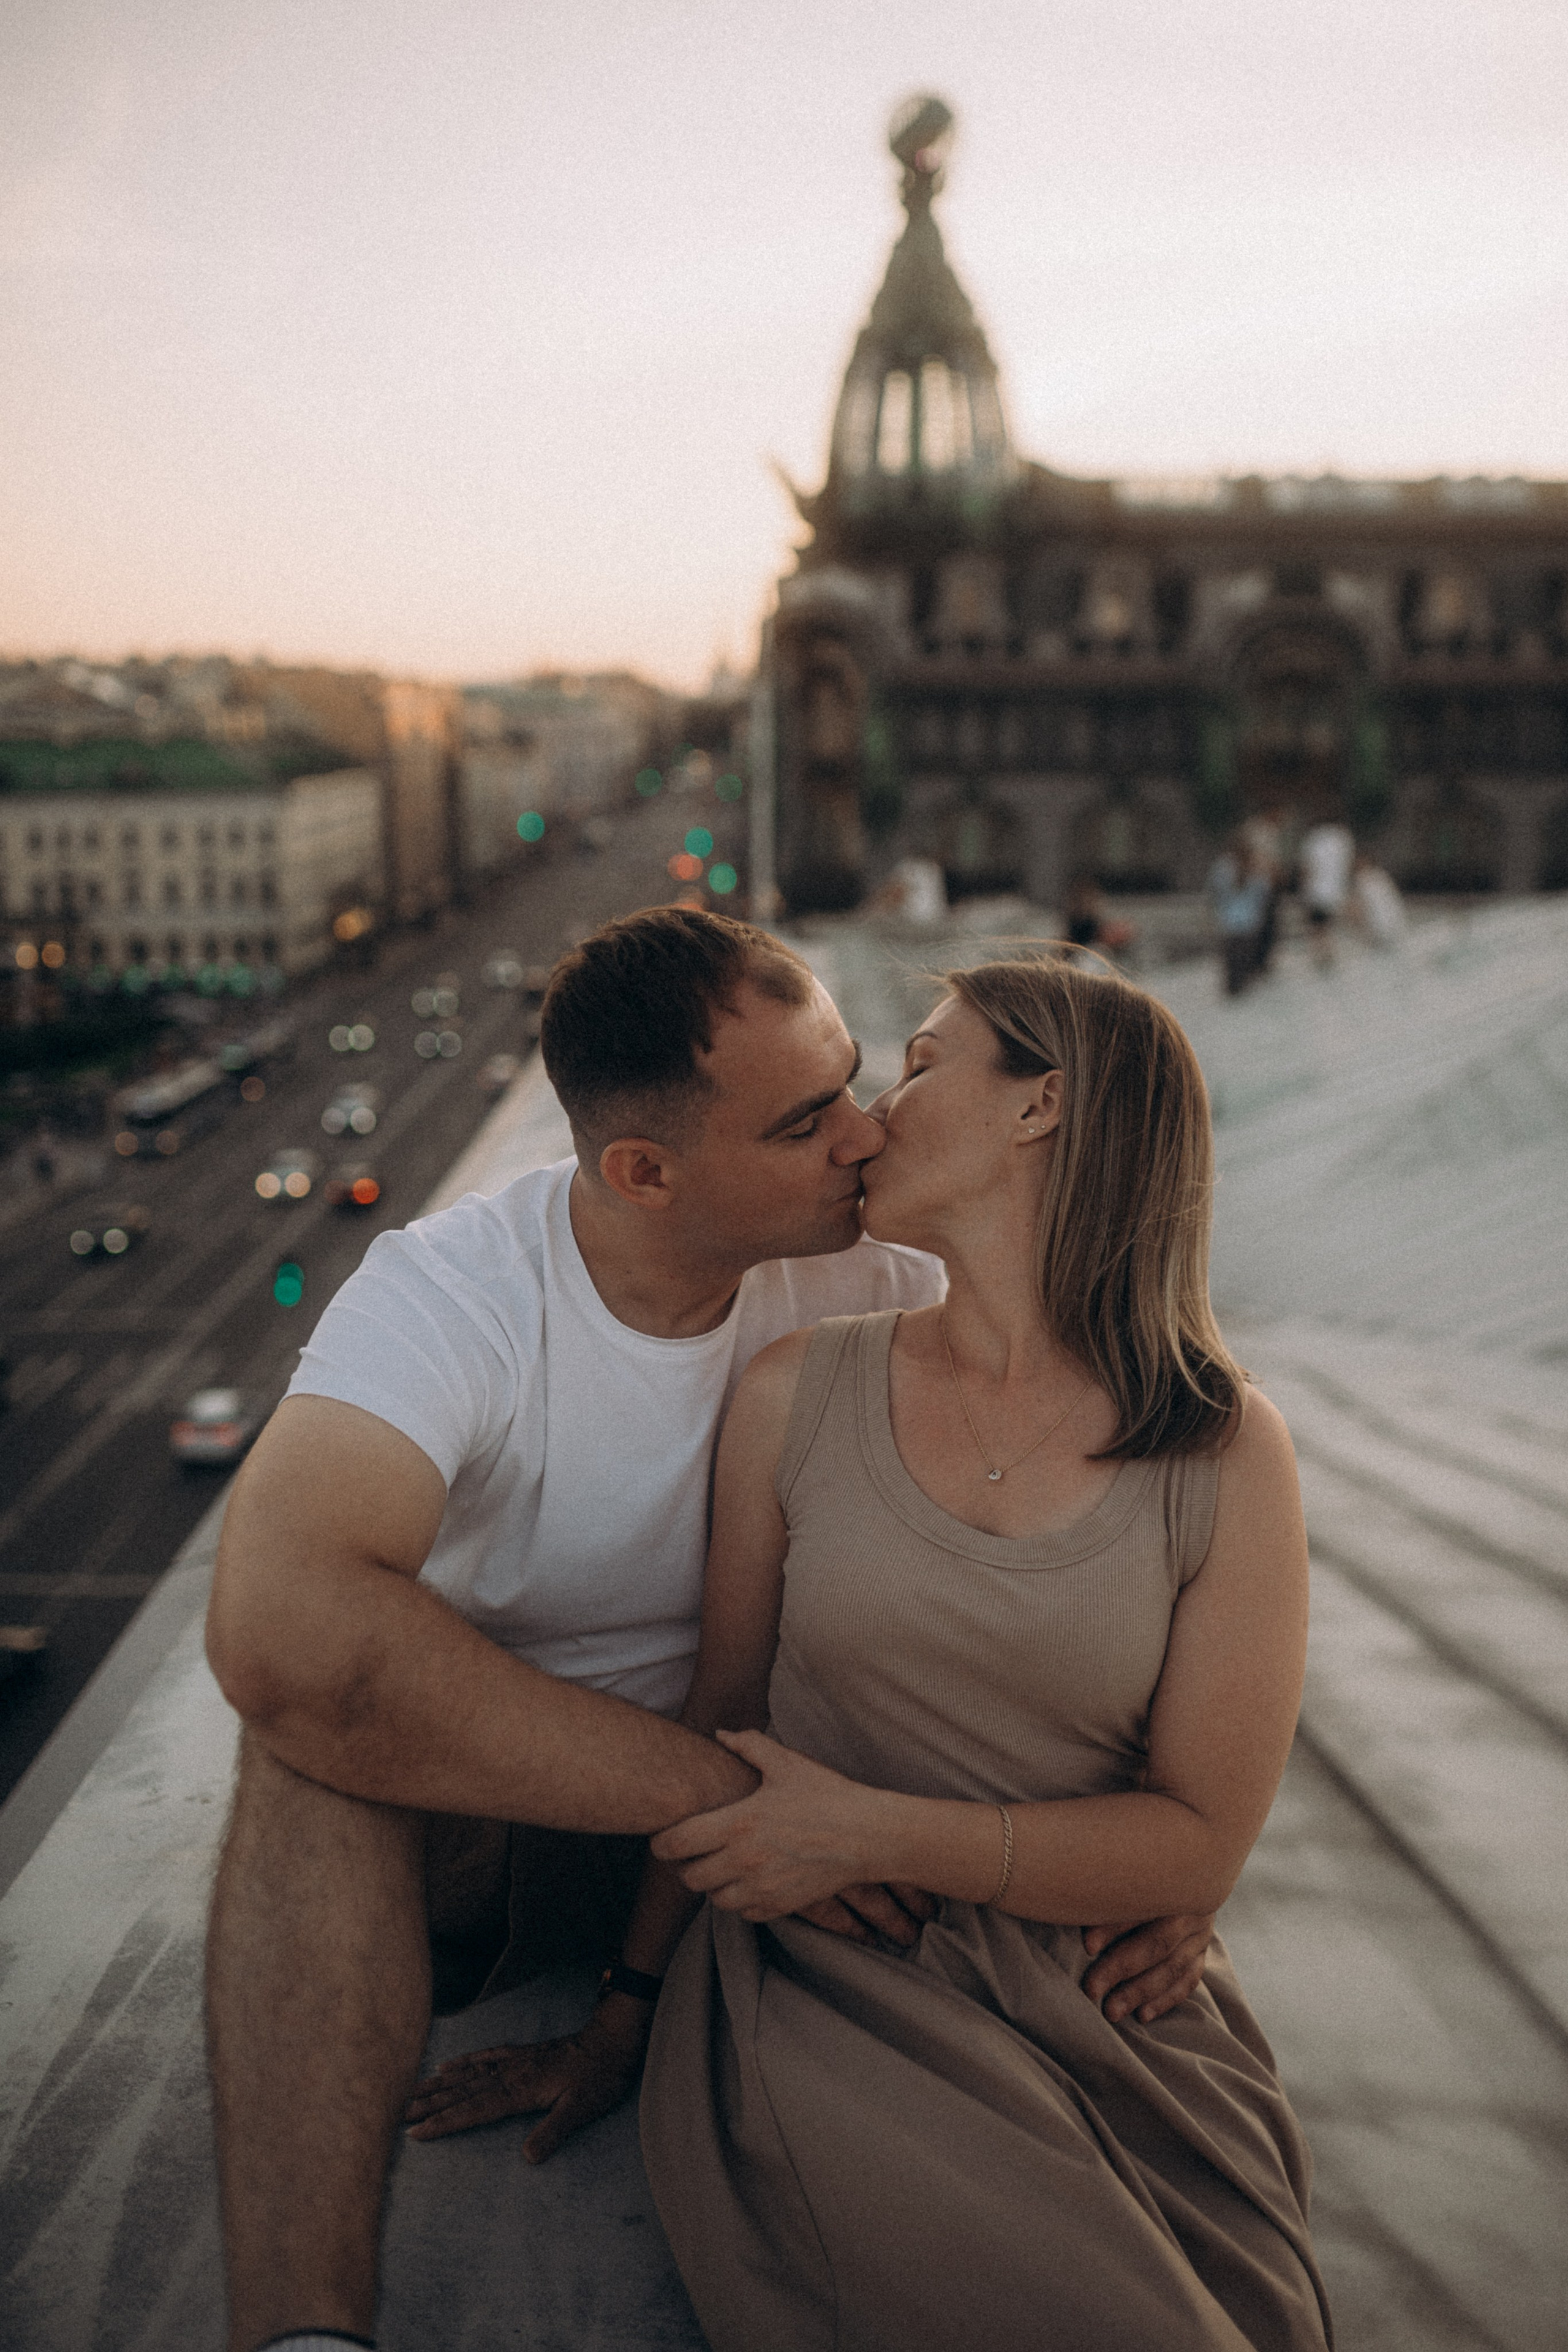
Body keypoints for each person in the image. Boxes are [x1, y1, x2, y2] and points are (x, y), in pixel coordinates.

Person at [205, 907, 1213, 2352]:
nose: (864, 1137)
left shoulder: (883, 1268)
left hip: (808, 1840)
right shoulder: (456, 1290)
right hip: (558, 1808)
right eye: (807, 1120)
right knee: (301, 1754)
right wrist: (720, 1798)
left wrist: (1163, 1841)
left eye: (858, 1077)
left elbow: (1114, 1512)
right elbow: (281, 1626)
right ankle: (304, 2335)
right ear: (642, 1171)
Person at [427, 951, 1330, 2350]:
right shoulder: (798, 1391)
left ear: (1038, 1107)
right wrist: (630, 2005)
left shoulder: (1219, 1443)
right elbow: (722, 1719)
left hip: (1113, 2000)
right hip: (827, 1984)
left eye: (916, 1063)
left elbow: (1195, 1845)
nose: (869, 1117)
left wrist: (869, 1829)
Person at [1207, 833, 1269, 997]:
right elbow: (1264, 892)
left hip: (1228, 921)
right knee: (1245, 958)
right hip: (1249, 921)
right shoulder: (1255, 868)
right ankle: (1241, 986)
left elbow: (1215, 891)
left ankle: (1232, 988)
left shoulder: (1222, 868)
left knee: (1230, 958)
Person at [1299, 816, 1355, 970]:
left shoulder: (1314, 837)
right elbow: (1349, 865)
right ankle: (1328, 955)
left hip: (1317, 891)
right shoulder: (1343, 837)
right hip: (1336, 890)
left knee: (1318, 927)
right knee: (1328, 926)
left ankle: (1322, 957)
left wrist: (1304, 892)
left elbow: (1308, 868)